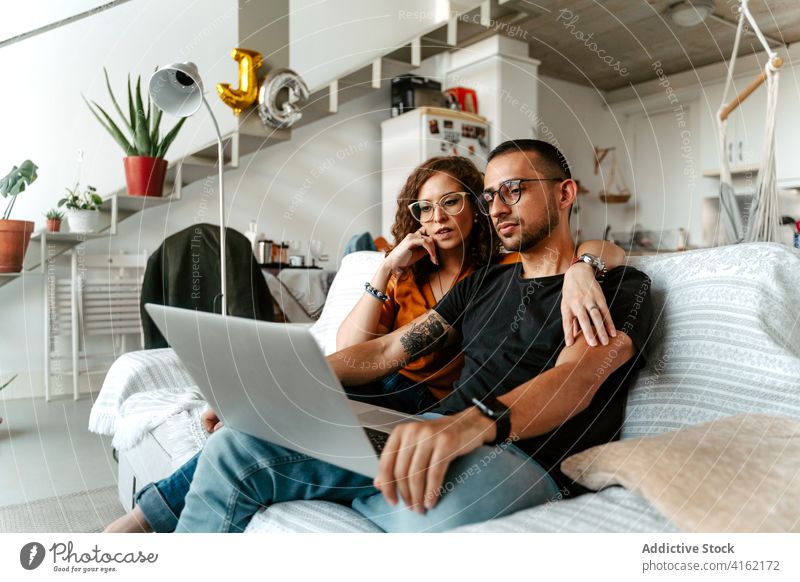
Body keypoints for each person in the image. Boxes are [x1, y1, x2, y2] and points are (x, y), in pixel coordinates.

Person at [105, 154, 625, 533]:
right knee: (243, 437)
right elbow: (381, 351)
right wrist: (270, 386)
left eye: (513, 191)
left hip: (487, 440)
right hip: (422, 420)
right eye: (493, 195)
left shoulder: (596, 278)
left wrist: (587, 264)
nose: (498, 206)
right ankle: (154, 519)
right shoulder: (477, 286)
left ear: (564, 192)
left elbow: (579, 372)